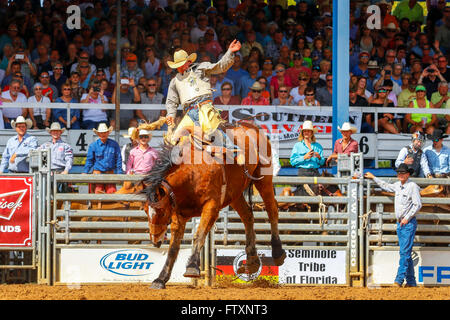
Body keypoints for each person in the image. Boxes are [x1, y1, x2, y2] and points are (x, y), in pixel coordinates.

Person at [165, 40, 242, 154]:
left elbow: (220, 66)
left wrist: (230, 52)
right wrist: (170, 122)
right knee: (174, 140)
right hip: (189, 113)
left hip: (204, 107)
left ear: (189, 61)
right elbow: (171, 102)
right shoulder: (174, 81)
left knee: (211, 130)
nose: (180, 67)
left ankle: (232, 149)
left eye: (182, 64)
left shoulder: (201, 68)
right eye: (178, 65)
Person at [365, 163, 421, 287]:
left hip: (407, 223)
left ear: (407, 174)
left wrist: (407, 218)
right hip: (402, 223)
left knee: (404, 252)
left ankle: (399, 280)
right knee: (405, 252)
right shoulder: (398, 186)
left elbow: (418, 205)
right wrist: (374, 177)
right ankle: (411, 281)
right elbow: (385, 186)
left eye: (403, 173)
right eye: (399, 173)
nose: (400, 175)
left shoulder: (412, 186)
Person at [83, 123, 123, 194]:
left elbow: (118, 159)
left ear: (108, 133)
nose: (103, 134)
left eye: (104, 132)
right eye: (101, 133)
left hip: (110, 173)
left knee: (111, 193)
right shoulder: (93, 146)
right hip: (98, 173)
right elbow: (89, 160)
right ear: (98, 134)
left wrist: (119, 172)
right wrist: (85, 171)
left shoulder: (114, 144)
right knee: (98, 192)